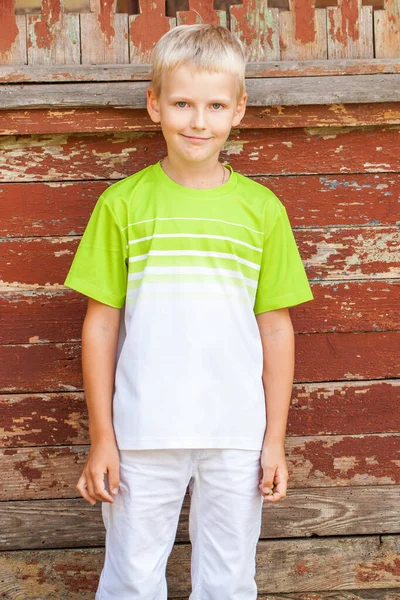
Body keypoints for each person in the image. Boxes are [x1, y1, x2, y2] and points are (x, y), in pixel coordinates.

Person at [63, 23, 313, 599]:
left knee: (228, 580)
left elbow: (276, 330)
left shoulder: (261, 211)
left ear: (238, 109)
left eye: (215, 105)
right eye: (182, 103)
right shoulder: (123, 205)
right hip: (142, 432)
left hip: (236, 434)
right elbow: (100, 325)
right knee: (131, 577)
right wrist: (103, 437)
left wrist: (273, 439)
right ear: (155, 105)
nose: (198, 121)